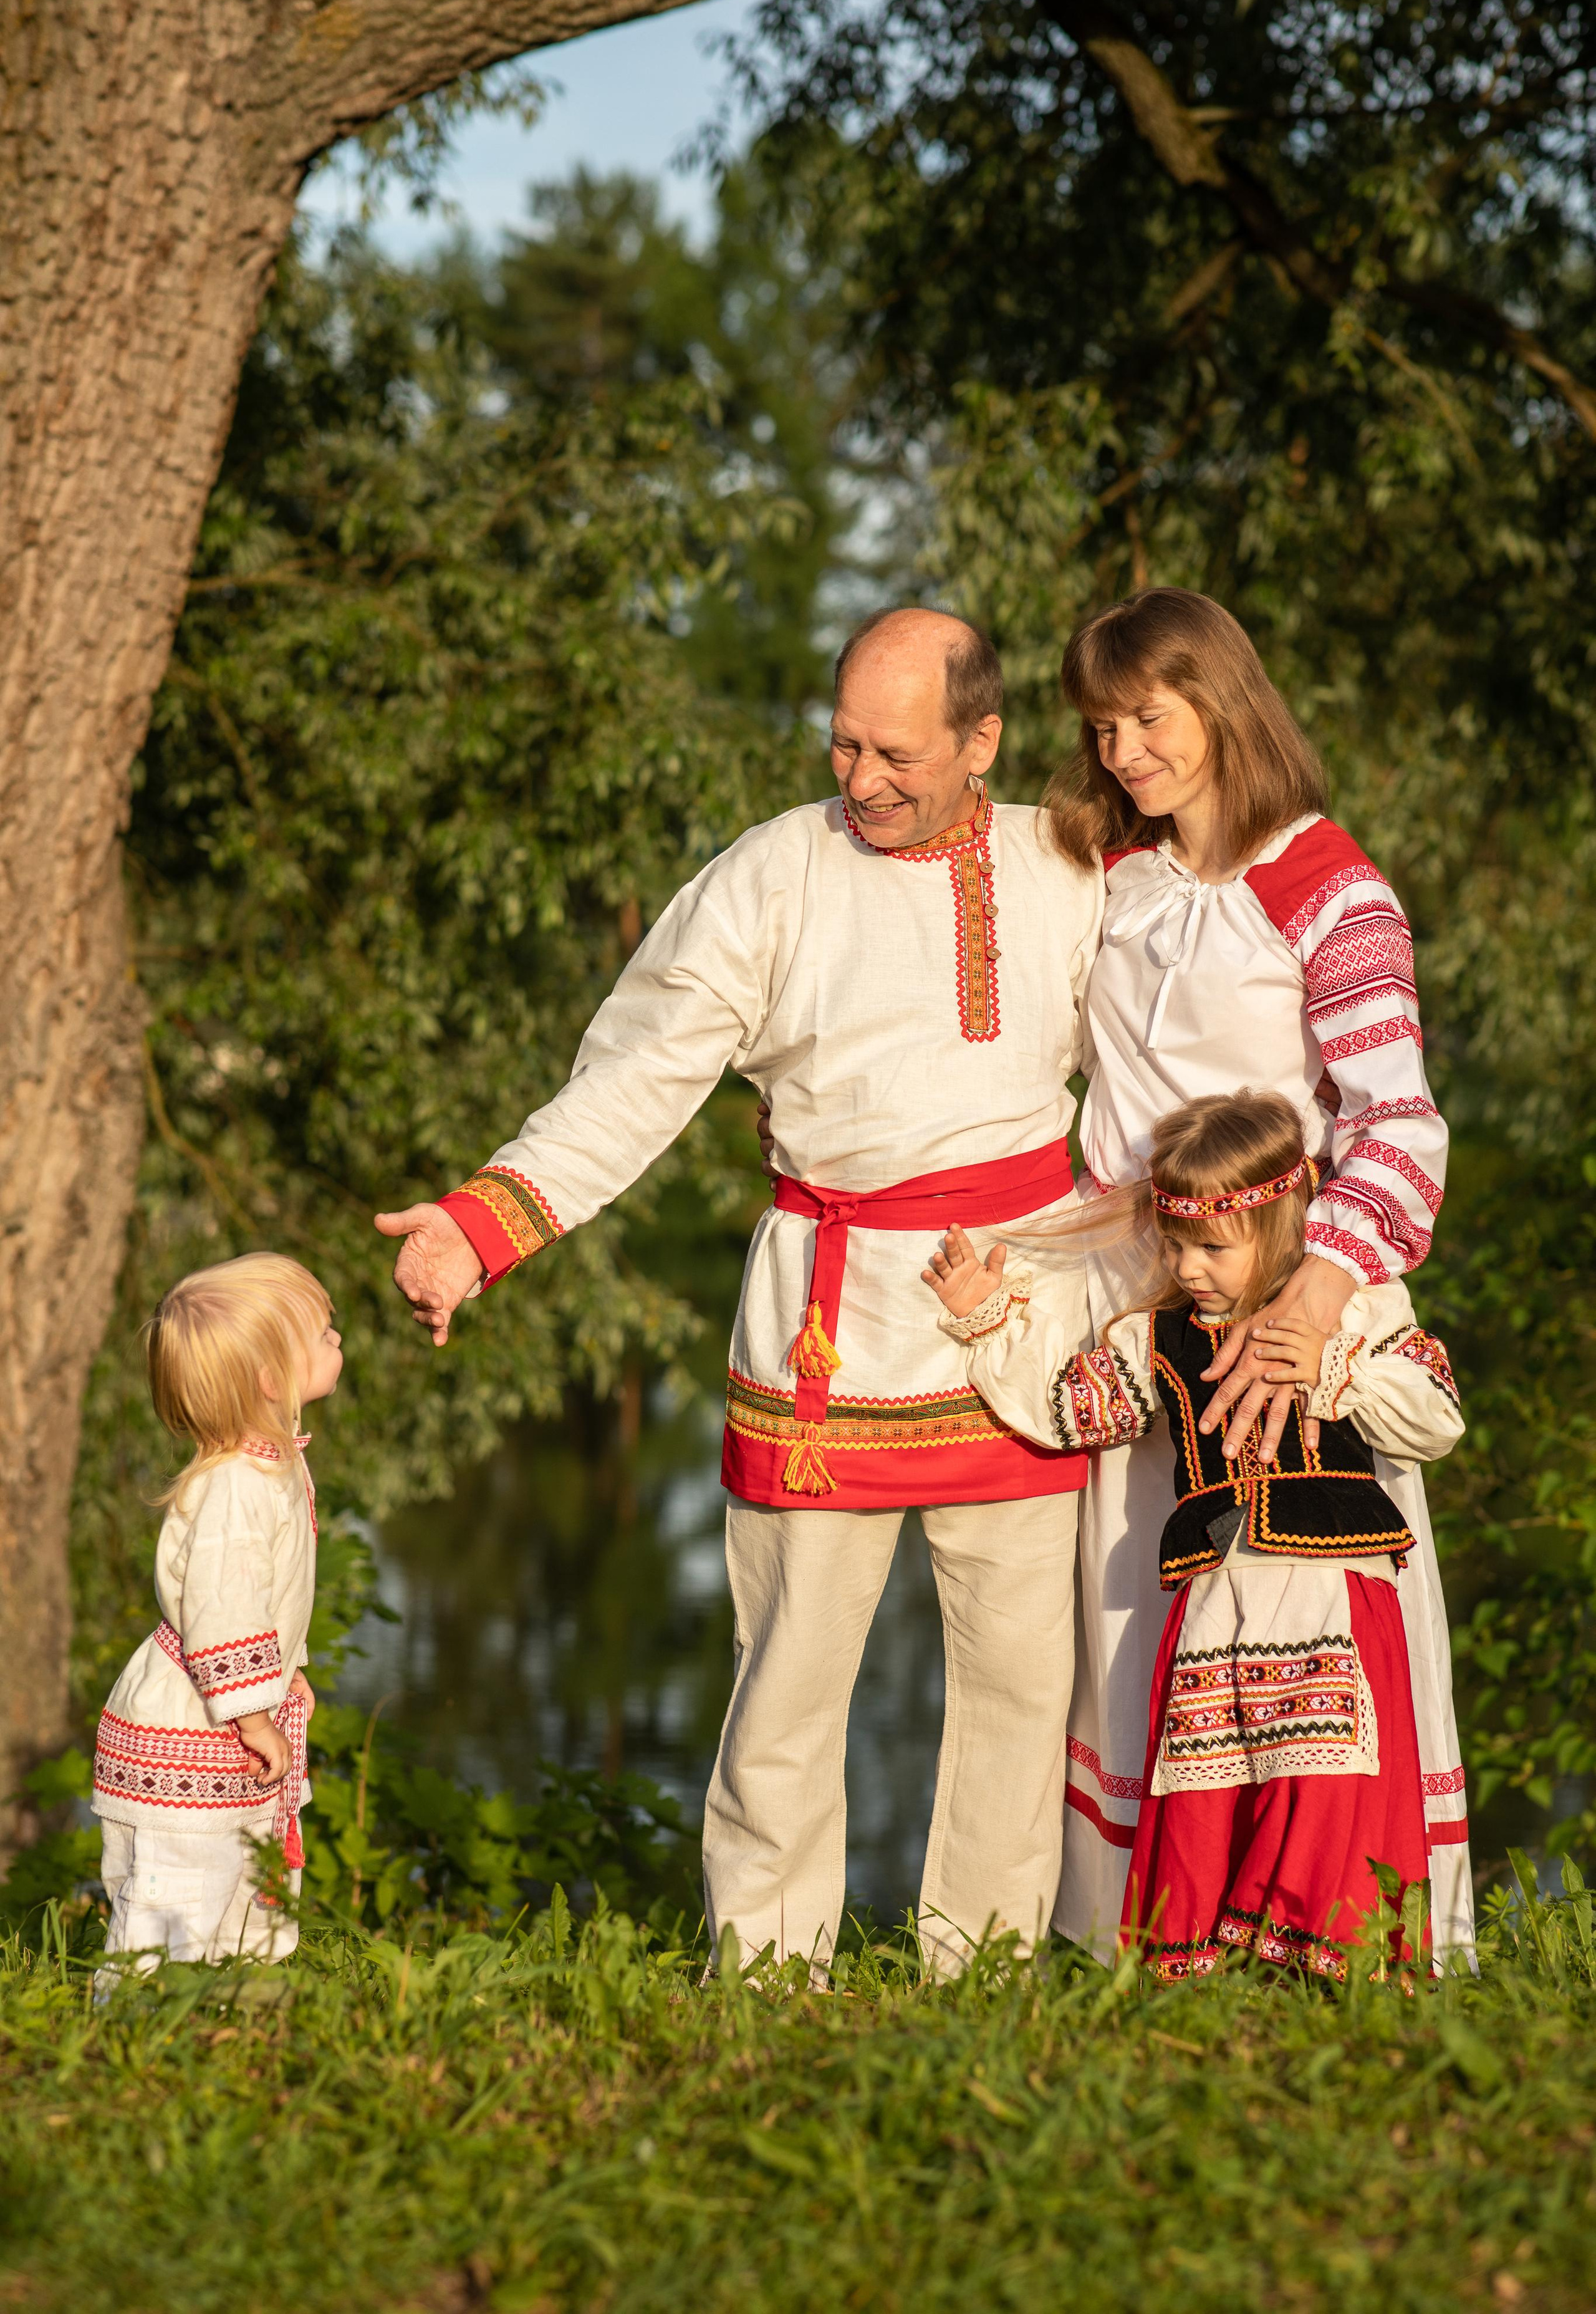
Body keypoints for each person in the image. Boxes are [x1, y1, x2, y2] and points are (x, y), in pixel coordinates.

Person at [377, 607, 1103, 1975]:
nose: (859, 778)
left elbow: (1162, 1064)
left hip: (1019, 1323)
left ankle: (987, 1977)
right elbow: (639, 1071)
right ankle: (769, 1980)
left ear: (981, 740)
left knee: (1020, 1685)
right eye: (841, 742)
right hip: (824, 1328)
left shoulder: (1066, 864)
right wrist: (481, 1227)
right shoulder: (772, 873)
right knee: (784, 1688)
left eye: (895, 751)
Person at [1037, 587, 1470, 1961]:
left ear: (1219, 704)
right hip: (1136, 1296)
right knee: (1137, 1626)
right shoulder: (1111, 880)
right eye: (1101, 728)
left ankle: (1340, 1932)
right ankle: (1148, 1941)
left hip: (1292, 1293)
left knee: (1312, 1599)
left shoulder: (1326, 885)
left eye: (1146, 719)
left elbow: (1396, 1121)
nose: (1121, 754)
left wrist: (1315, 1297)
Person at [926, 1089, 1464, 1980]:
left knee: (1327, 1786)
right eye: (1175, 1245)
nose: (1191, 1266)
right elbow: (1066, 1411)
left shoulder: (1359, 1309)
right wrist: (989, 1323)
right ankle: (1210, 1971)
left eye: (1213, 1246)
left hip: (1335, 1591)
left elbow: (1436, 1419)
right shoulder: (1157, 1341)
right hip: (1219, 1598)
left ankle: (1332, 1968)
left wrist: (1338, 1371)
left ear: (1284, 1219)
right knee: (1213, 1782)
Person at [91, 1253, 340, 1975]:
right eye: (322, 1333)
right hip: (194, 1723)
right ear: (270, 1379)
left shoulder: (269, 1465)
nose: (336, 1340)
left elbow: (266, 1598)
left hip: (227, 1708)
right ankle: (140, 2017)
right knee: (178, 1889)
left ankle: (225, 2014)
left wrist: (285, 1675)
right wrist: (254, 1712)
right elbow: (224, 1609)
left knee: (239, 1873)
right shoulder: (237, 1483)